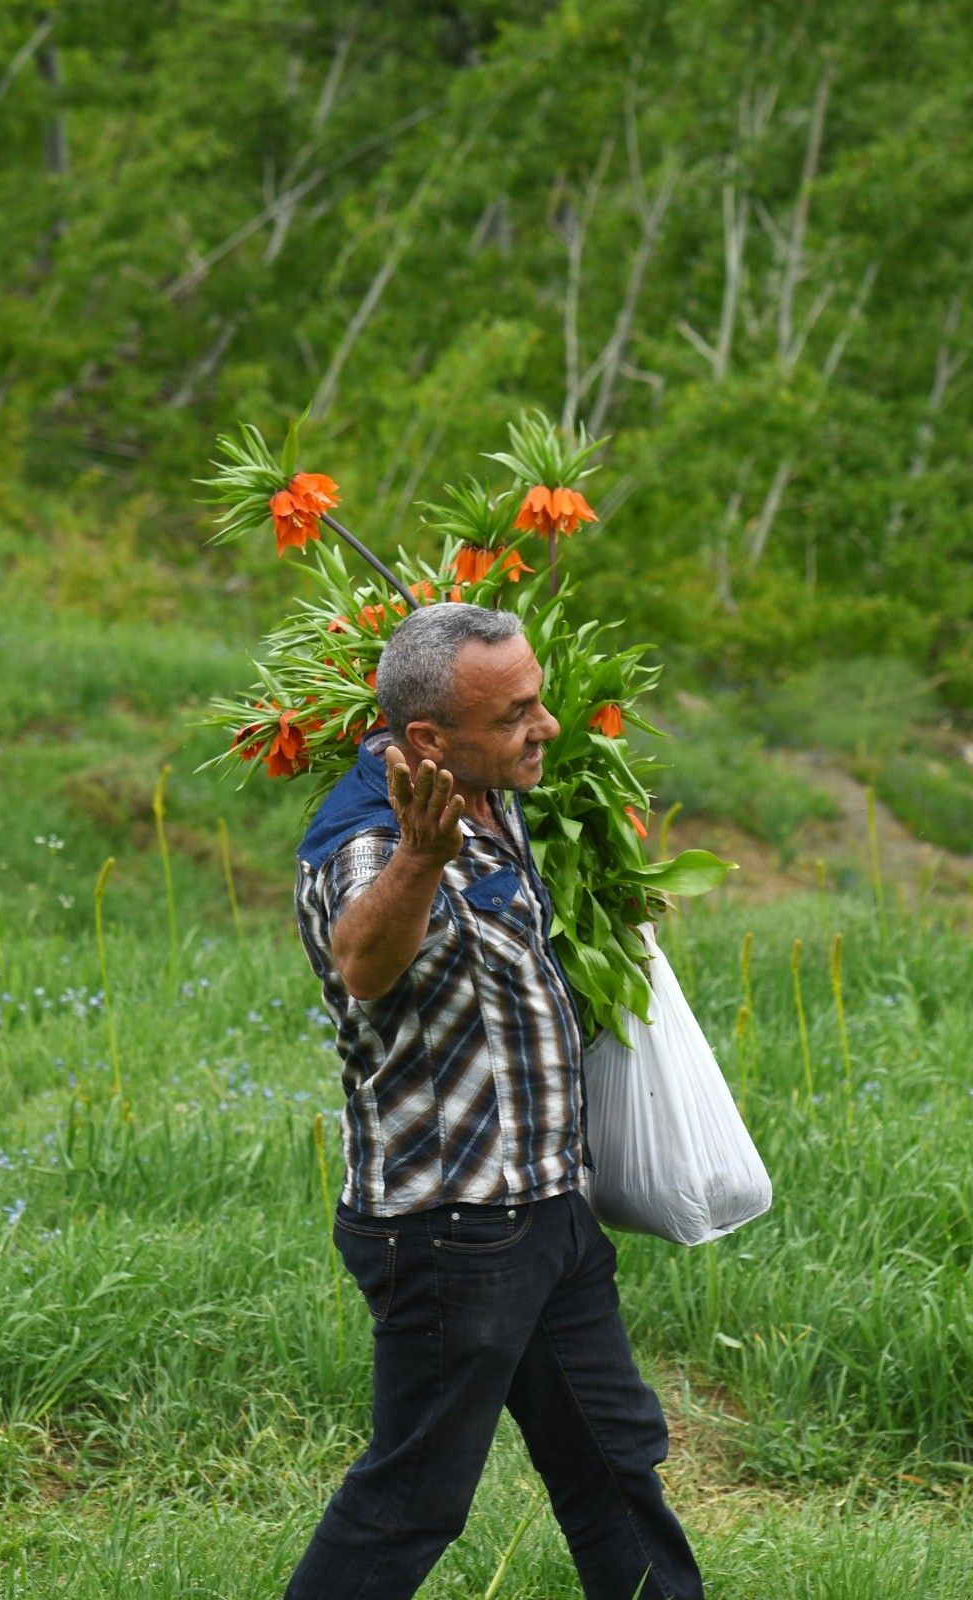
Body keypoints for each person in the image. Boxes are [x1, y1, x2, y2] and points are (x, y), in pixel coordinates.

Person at [285, 603, 705, 1600]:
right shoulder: (371, 837)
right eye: (517, 711)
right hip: (450, 1231)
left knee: (613, 1466)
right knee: (412, 1499)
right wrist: (421, 861)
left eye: (538, 700)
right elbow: (361, 961)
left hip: (548, 1208)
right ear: (426, 739)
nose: (546, 726)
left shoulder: (486, 786)